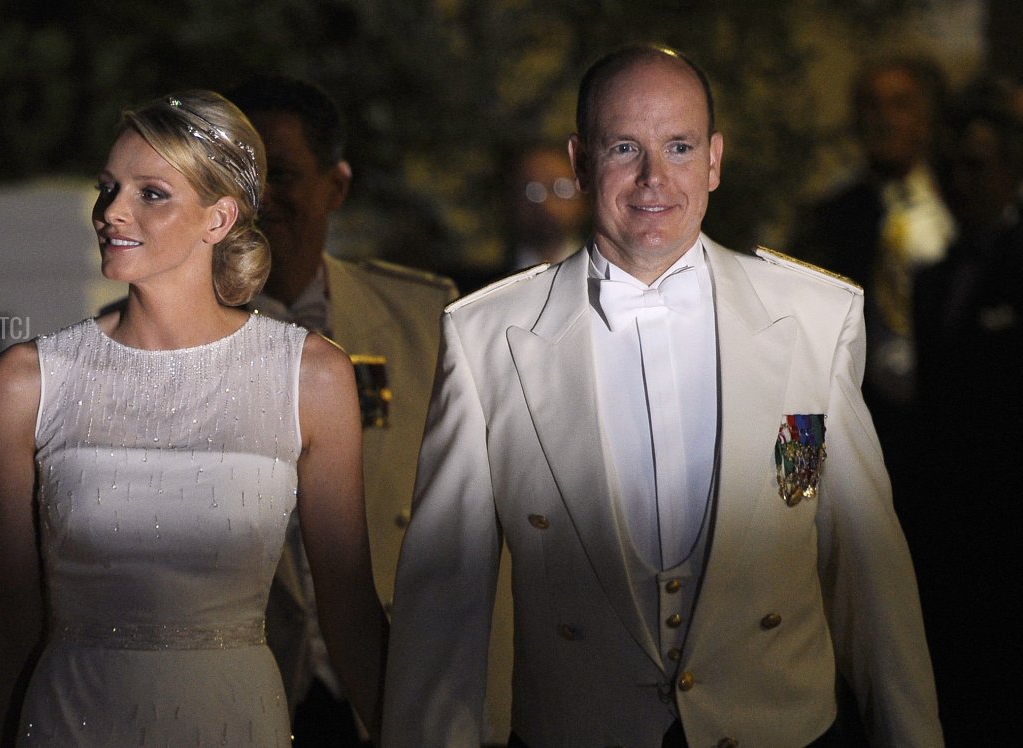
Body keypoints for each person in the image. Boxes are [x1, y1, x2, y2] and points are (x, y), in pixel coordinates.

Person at [383, 45, 941, 748]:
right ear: (581, 161)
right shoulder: (486, 337)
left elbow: (866, 565)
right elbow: (446, 602)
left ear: (713, 160)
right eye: (625, 147)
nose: (654, 178)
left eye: (678, 147)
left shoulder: (814, 319)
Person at [0, 90, 388, 747]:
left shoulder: (309, 376)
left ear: (219, 218)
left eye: (150, 193)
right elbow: (9, 614)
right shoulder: (27, 383)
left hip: (235, 719)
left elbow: (351, 609)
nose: (111, 212)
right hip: (71, 721)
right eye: (108, 188)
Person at [226, 74, 515, 746]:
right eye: (242, 178)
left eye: (284, 175)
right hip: (247, 698)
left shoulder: (425, 320)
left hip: (394, 686)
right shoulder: (179, 337)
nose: (261, 199)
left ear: (337, 187)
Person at [912, 74, 1023, 744]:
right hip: (948, 530)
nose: (961, 183)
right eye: (949, 168)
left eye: (976, 167)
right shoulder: (935, 278)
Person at [789, 55, 955, 494]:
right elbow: (804, 348)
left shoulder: (960, 207)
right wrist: (798, 477)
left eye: (900, 105)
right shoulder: (828, 222)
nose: (884, 120)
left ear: (926, 117)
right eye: (870, 106)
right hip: (863, 433)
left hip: (954, 436)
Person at [504, 141, 590, 271]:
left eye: (561, 189)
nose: (546, 204)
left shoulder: (607, 278)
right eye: (532, 191)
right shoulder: (481, 286)